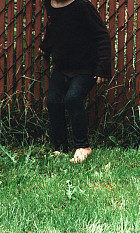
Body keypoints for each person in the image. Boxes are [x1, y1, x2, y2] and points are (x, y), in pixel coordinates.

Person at [40, 0, 113, 163]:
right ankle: (60, 147)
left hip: (86, 67)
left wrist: (102, 67)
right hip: (62, 66)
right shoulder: (50, 4)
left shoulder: (82, 6)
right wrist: (46, 46)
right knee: (53, 101)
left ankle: (83, 146)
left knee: (73, 99)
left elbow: (102, 35)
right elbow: (54, 28)